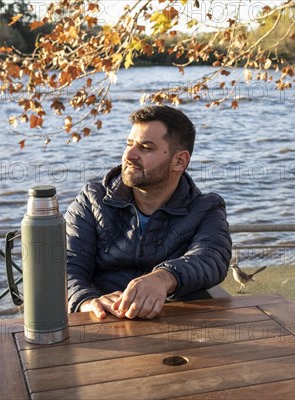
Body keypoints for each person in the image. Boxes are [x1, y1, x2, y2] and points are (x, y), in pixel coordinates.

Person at [66, 105, 232, 320]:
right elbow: (67, 263)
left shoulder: (206, 208)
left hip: (173, 322)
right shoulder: (92, 199)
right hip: (100, 321)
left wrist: (164, 278)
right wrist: (86, 301)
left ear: (179, 161)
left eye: (145, 147)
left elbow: (212, 256)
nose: (130, 154)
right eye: (129, 144)